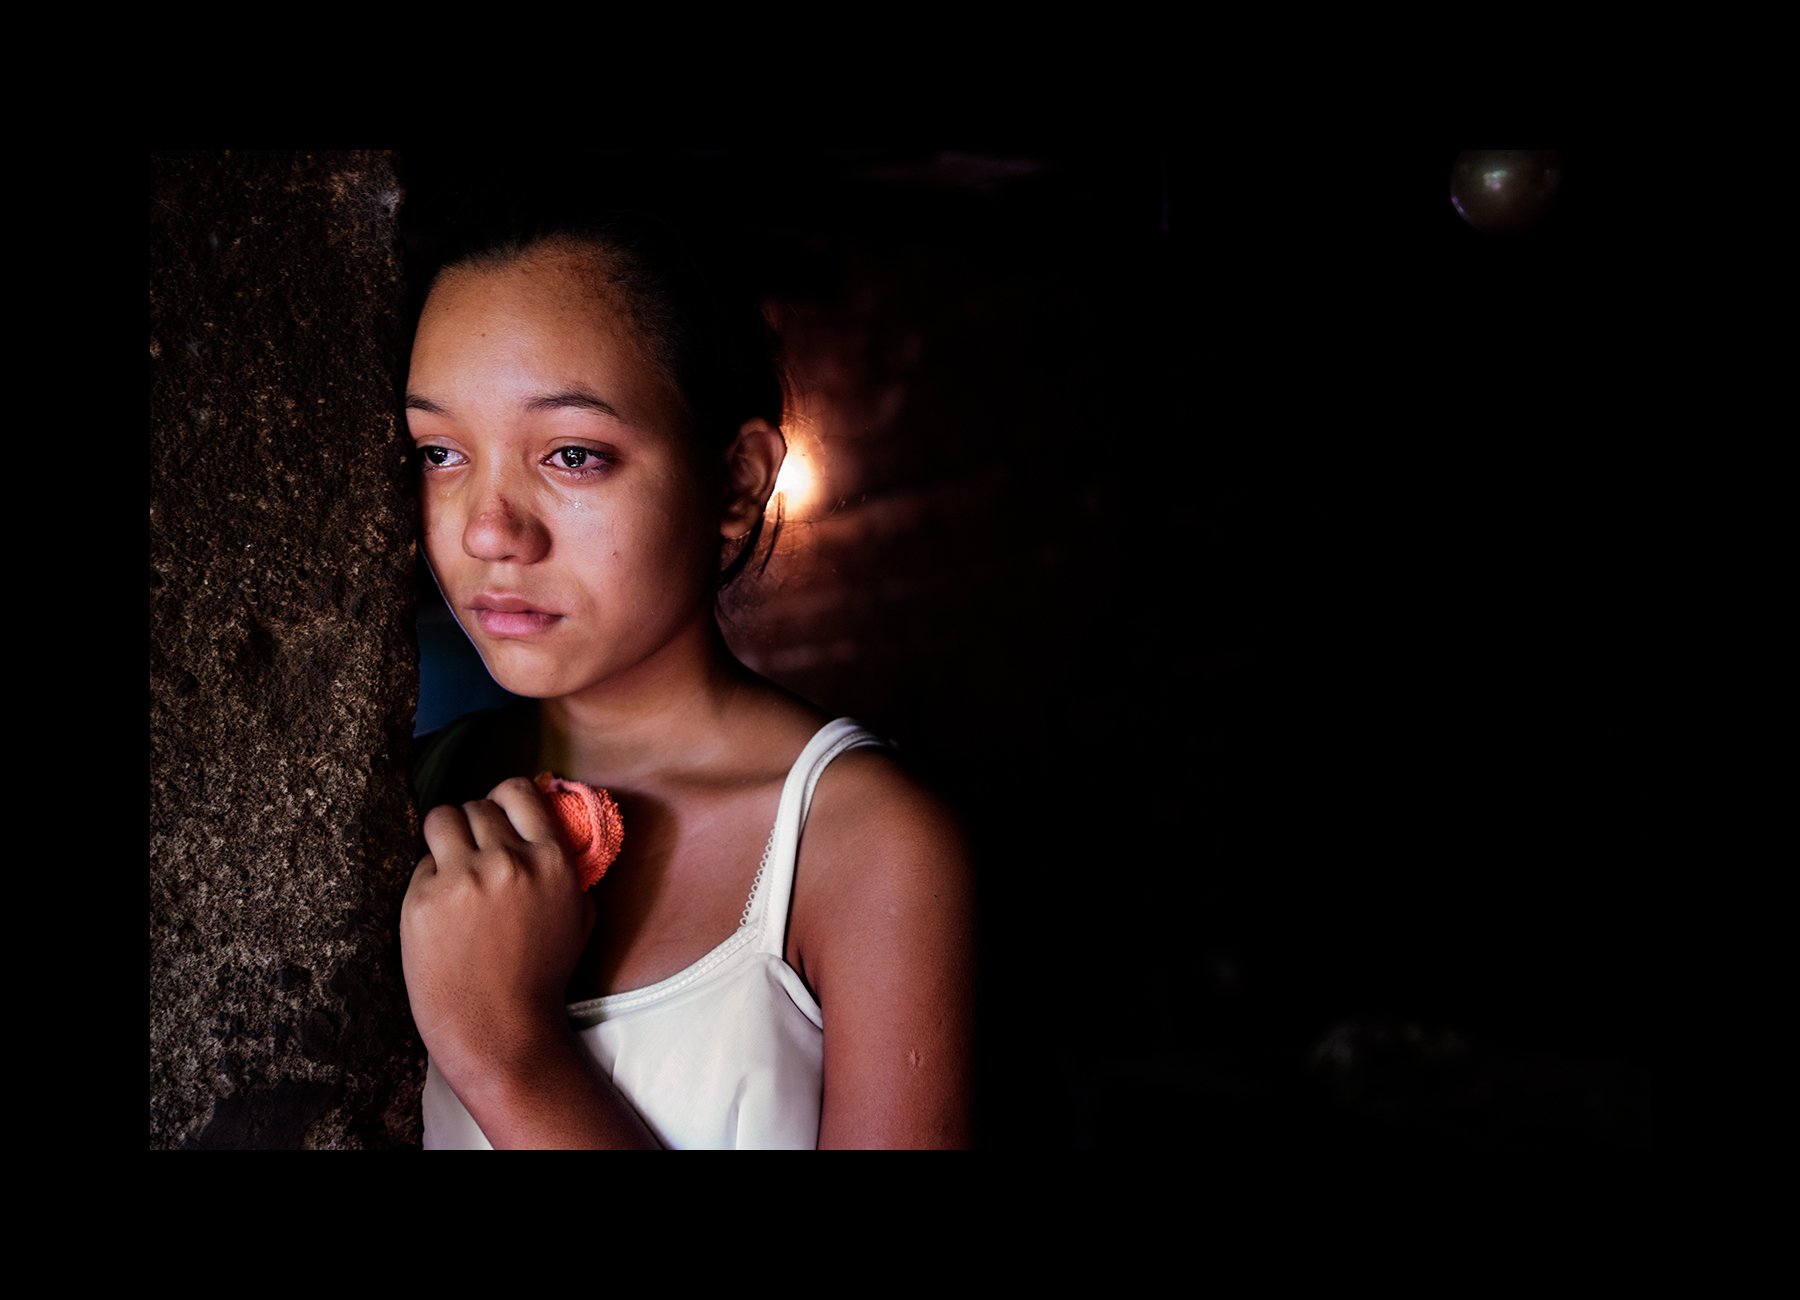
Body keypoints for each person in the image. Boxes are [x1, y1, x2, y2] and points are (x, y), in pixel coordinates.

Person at [398, 217, 976, 1148]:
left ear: (739, 484)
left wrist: (506, 1049)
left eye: (571, 454)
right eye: (440, 454)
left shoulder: (862, 846)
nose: (488, 532)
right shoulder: (411, 793)